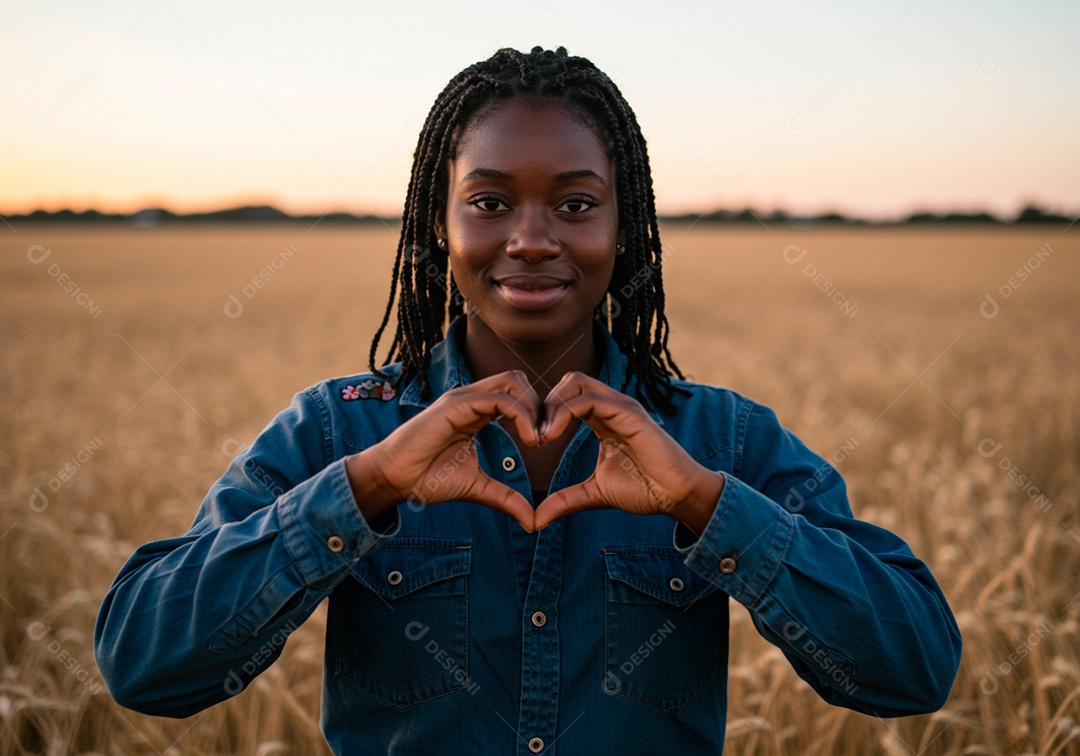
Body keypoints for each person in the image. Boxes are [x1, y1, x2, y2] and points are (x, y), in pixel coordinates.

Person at [95, 46, 961, 754]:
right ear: (440, 224)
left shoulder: (720, 439)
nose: (532, 239)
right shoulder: (340, 428)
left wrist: (706, 504)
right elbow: (142, 661)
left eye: (577, 204)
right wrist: (365, 487)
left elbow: (914, 668)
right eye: (490, 201)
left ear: (625, 229)